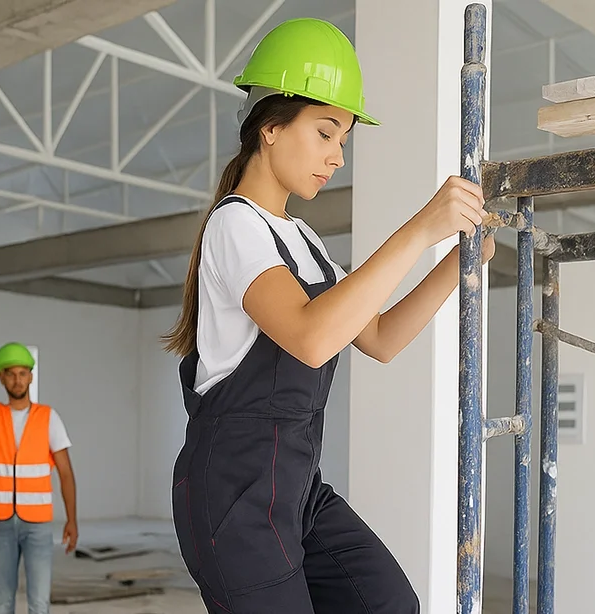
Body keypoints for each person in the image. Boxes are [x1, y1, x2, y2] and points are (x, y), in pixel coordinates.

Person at [161, 17, 495, 614]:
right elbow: (311, 339)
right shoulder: (236, 225)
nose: (337, 157)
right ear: (270, 128)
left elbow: (380, 336)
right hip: (233, 499)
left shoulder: (303, 240)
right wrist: (420, 228)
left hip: (295, 488)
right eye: (325, 133)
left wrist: (462, 260)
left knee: (390, 603)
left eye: (342, 140)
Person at [0, 342, 78, 614]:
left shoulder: (49, 417)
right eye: (10, 373)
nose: (17, 379)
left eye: (23, 373)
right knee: (2, 602)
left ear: (31, 377)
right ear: (1, 377)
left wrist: (72, 519)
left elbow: (66, 474)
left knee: (39, 604)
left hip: (38, 526)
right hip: (1, 524)